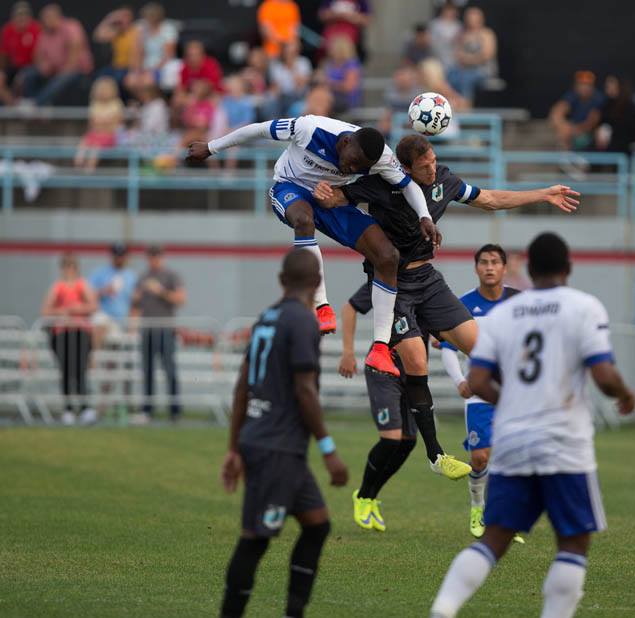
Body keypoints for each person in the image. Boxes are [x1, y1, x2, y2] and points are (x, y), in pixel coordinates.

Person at [312, 134, 578, 480]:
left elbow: (493, 199)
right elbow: (335, 198)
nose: (433, 170)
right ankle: (436, 454)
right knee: (417, 359)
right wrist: (320, 193)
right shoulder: (379, 184)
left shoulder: (445, 181)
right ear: (404, 168)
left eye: (434, 161)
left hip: (429, 282)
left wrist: (543, 193)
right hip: (392, 286)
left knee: (485, 350)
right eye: (425, 167)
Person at [430, 232, 635, 618]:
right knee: (573, 544)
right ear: (568, 268)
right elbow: (605, 376)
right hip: (564, 443)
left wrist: (513, 402)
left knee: (494, 540)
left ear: (525, 268)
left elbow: (476, 382)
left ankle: (444, 607)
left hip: (513, 441)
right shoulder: (583, 306)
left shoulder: (505, 314)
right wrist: (625, 394)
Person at [185, 115, 439, 380]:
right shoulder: (310, 128)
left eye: (359, 167)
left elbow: (407, 185)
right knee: (303, 220)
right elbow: (258, 129)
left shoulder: (381, 158)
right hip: (290, 189)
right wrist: (211, 148)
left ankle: (380, 348)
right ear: (345, 142)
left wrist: (425, 216)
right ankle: (322, 307)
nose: (352, 169)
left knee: (388, 257)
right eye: (351, 161)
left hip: (330, 201)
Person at [218, 249, 348, 618]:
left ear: (281, 280)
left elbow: (242, 387)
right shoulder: (303, 322)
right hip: (276, 448)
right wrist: (328, 448)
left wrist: (233, 448)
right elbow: (305, 390)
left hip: (270, 444)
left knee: (318, 524)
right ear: (317, 283)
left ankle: (294, 612)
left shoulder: (266, 318)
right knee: (255, 540)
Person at [440, 244, 524, 542]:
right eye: (484, 262)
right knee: (480, 458)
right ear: (476, 268)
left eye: (495, 262)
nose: (489, 267)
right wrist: (459, 380)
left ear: (504, 267)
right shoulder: (462, 306)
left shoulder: (520, 302)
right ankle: (477, 505)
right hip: (479, 392)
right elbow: (448, 347)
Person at [338, 282, 420, 532]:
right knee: (391, 439)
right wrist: (348, 352)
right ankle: (363, 496)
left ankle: (370, 496)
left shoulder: (431, 282)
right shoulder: (388, 279)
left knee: (408, 441)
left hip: (414, 372)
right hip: (383, 369)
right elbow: (349, 308)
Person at [130, 245, 186, 424]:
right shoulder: (143, 277)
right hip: (147, 329)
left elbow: (181, 299)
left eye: (156, 256)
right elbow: (135, 304)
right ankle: (147, 410)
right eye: (151, 256)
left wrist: (160, 290)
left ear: (162, 257)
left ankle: (175, 410)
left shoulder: (171, 276)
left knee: (169, 369)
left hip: (165, 328)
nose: (153, 260)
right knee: (147, 370)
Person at [40, 252, 98, 426]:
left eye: (72, 266)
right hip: (62, 334)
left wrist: (77, 309)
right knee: (65, 371)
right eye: (66, 266)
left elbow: (93, 305)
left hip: (80, 332)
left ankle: (85, 407)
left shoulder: (82, 285)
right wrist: (61, 312)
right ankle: (68, 409)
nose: (69, 270)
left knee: (80, 370)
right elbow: (45, 310)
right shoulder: (57, 287)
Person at [88, 243, 138, 413]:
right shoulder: (101, 273)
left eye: (122, 255)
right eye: (117, 255)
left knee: (118, 367)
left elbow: (135, 303)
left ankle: (116, 404)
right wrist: (104, 291)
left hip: (121, 325)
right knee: (100, 321)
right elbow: (88, 295)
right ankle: (93, 355)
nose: (119, 258)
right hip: (107, 321)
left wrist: (132, 324)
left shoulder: (131, 276)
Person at [19, 4, 93, 106]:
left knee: (61, 79)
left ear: (57, 16)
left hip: (77, 70)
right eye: (44, 18)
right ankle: (29, 102)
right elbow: (38, 55)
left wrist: (65, 70)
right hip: (55, 70)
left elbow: (75, 50)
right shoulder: (44, 33)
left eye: (48, 17)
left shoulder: (71, 26)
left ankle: (35, 105)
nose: (46, 20)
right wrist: (43, 65)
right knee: (29, 74)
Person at [123, 2, 178, 94]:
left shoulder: (168, 30)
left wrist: (152, 70)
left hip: (162, 67)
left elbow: (168, 56)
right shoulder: (142, 29)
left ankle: (155, 101)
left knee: (147, 81)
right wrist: (137, 70)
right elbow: (138, 52)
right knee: (130, 81)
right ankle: (145, 103)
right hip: (145, 67)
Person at [74, 77, 124, 171]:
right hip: (95, 133)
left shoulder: (116, 104)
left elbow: (116, 122)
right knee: (83, 143)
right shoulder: (94, 104)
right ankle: (78, 165)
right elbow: (92, 122)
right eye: (101, 90)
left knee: (96, 147)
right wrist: (104, 122)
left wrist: (102, 122)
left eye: (106, 90)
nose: (103, 92)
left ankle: (89, 169)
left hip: (109, 136)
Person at [447, 7, 497, 102]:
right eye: (469, 18)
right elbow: (458, 54)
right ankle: (452, 103)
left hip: (483, 70)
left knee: (466, 78)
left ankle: (465, 104)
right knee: (450, 75)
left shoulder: (486, 34)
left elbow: (487, 55)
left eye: (473, 18)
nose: (471, 21)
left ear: (480, 19)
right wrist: (468, 58)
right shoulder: (463, 34)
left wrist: (468, 59)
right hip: (463, 69)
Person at [549, 71, 605, 151]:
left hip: (591, 133)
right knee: (563, 132)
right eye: (581, 84)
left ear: (592, 86)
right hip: (575, 131)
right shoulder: (573, 95)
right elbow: (556, 113)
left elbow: (592, 123)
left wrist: (575, 129)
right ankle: (566, 158)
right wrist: (564, 126)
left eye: (587, 84)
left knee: (601, 133)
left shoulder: (597, 98)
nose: (584, 87)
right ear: (576, 85)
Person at [93, 7, 138, 90]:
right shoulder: (116, 32)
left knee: (116, 81)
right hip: (115, 66)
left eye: (126, 17)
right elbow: (98, 36)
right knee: (98, 78)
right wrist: (110, 17)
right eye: (121, 17)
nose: (123, 20)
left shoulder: (135, 32)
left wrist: (134, 70)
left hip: (128, 67)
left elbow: (136, 54)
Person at [594, 75, 635, 155]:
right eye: (607, 85)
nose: (609, 87)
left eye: (612, 84)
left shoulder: (629, 106)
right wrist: (599, 133)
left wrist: (610, 135)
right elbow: (601, 123)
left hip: (624, 146)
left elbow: (632, 131)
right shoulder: (605, 105)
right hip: (604, 144)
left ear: (620, 86)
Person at [173, 40, 223, 109]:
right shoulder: (185, 68)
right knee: (176, 100)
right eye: (190, 55)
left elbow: (210, 86)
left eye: (196, 55)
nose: (193, 58)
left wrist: (194, 95)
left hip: (212, 95)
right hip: (192, 98)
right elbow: (181, 88)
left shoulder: (210, 64)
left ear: (203, 55)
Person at [0, 2, 40, 86]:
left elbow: (39, 54)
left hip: (31, 66)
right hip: (13, 66)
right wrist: (2, 71)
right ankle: (13, 100)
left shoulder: (36, 29)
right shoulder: (7, 30)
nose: (22, 17)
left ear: (30, 17)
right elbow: (3, 54)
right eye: (19, 15)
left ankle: (27, 99)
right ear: (13, 17)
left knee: (23, 79)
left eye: (25, 15)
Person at [270, 40, 312, 114]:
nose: (290, 54)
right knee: (271, 103)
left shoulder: (303, 62)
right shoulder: (277, 66)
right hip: (283, 97)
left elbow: (302, 84)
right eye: (288, 52)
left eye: (293, 52)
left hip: (300, 95)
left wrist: (292, 67)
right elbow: (275, 88)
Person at [322, 35, 362, 112]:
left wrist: (330, 84)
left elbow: (348, 87)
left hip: (345, 98)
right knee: (320, 98)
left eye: (333, 47)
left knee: (322, 100)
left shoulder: (351, 64)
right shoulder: (330, 63)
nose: (330, 49)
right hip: (329, 96)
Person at [379, 65, 419, 136]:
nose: (401, 80)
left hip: (414, 124)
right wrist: (386, 122)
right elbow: (387, 112)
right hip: (395, 125)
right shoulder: (390, 93)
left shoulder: (418, 94)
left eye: (404, 77)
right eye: (399, 77)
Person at [429, 2, 461, 71]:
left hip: (453, 59)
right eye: (448, 10)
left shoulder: (458, 25)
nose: (450, 13)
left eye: (452, 11)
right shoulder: (435, 24)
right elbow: (431, 41)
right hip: (437, 57)